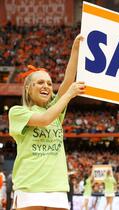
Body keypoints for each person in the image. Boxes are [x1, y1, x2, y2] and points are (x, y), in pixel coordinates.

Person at [8, 35, 85, 209]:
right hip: (29, 187)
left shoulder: (56, 110)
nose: (46, 86)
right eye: (40, 82)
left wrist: (75, 50)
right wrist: (68, 95)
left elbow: (67, 81)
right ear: (28, 89)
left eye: (49, 84)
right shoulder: (18, 112)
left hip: (57, 187)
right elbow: (44, 120)